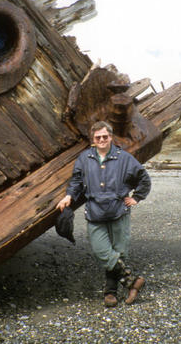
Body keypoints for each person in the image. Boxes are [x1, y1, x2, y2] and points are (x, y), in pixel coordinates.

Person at [56, 121, 151, 307]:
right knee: (102, 252)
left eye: (105, 137)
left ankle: (111, 293)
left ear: (111, 137)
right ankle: (132, 281)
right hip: (95, 212)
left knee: (119, 252)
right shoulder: (85, 158)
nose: (101, 140)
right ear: (93, 139)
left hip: (119, 211)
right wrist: (69, 196)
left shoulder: (124, 158)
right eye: (98, 137)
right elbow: (76, 181)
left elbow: (143, 178)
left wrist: (137, 197)